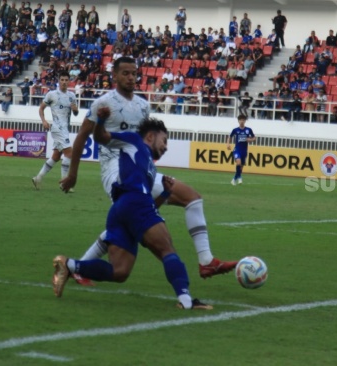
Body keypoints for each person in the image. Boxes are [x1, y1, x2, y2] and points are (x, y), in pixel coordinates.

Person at [59, 57, 237, 284]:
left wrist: (150, 167)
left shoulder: (143, 106)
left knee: (188, 200)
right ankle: (205, 262)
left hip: (140, 170)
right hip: (115, 171)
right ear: (114, 76)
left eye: (134, 73)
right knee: (136, 220)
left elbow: (142, 145)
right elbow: (83, 136)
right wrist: (72, 174)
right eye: (125, 73)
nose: (131, 77)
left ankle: (206, 261)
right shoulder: (103, 103)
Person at [53, 117, 212, 311]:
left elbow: (151, 208)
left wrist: (165, 193)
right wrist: (101, 119)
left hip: (122, 210)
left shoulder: (150, 168)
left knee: (120, 272)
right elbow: (101, 135)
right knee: (166, 249)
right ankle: (186, 301)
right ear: (150, 136)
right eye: (164, 140)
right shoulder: (134, 140)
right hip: (133, 202)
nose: (166, 147)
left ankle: (69, 265)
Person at [32, 72, 78, 191]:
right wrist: (44, 121)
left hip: (65, 129)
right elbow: (41, 108)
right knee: (69, 154)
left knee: (56, 156)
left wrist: (76, 110)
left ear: (69, 82)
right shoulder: (51, 94)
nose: (64, 82)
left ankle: (38, 178)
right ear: (59, 81)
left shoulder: (72, 96)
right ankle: (64, 183)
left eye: (66, 80)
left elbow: (76, 113)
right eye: (62, 79)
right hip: (57, 128)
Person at [226, 114, 255, 186]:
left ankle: (234, 179)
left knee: (241, 167)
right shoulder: (235, 130)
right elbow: (230, 137)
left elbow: (254, 138)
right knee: (238, 162)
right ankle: (240, 177)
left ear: (245, 121)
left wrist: (250, 139)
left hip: (244, 150)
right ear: (238, 121)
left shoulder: (248, 130)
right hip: (237, 149)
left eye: (243, 120)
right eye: (240, 120)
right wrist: (228, 144)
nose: (242, 121)